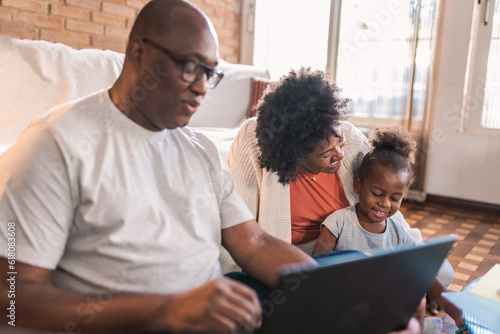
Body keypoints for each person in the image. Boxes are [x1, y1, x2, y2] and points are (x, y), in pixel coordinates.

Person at [0, 1, 316, 333]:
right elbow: (11, 299)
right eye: (192, 66)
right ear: (138, 53)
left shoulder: (201, 151)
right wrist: (163, 310)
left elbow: (254, 243)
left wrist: (329, 288)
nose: (202, 87)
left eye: (210, 73)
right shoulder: (55, 145)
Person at [221, 67, 452, 281]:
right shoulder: (253, 143)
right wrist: (231, 285)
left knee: (440, 273)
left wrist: (418, 253)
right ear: (294, 153)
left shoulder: (350, 139)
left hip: (351, 245)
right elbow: (237, 228)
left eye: (339, 142)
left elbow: (385, 199)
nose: (340, 155)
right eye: (326, 153)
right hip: (288, 254)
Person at [312, 127, 467, 333]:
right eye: (376, 193)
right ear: (358, 184)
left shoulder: (398, 233)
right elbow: (317, 264)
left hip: (382, 304)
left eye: (395, 198)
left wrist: (457, 313)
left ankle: (419, 328)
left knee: (416, 297)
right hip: (348, 303)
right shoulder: (339, 221)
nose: (385, 204)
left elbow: (426, 276)